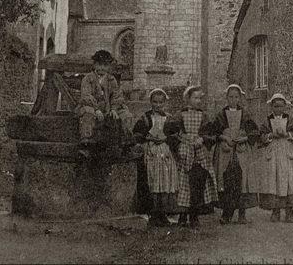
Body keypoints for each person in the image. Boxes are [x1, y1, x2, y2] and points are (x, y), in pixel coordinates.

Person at [257, 92, 293, 223]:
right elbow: (261, 136)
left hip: (287, 152)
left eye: (281, 106)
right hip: (273, 152)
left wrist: (287, 134)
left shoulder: (289, 119)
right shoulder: (267, 120)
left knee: (290, 181)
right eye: (275, 106)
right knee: (274, 180)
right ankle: (275, 210)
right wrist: (270, 136)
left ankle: (289, 211)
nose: (278, 109)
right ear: (271, 107)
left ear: (284, 107)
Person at [212, 84, 258, 225]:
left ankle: (241, 214)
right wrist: (224, 138)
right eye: (230, 97)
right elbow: (214, 132)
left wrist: (244, 138)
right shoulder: (221, 114)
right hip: (225, 152)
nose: (233, 99)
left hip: (241, 153)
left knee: (242, 180)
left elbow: (254, 132)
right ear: (226, 98)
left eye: (236, 97)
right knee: (227, 181)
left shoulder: (245, 114)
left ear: (240, 98)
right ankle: (227, 214)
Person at [132, 88, 179, 227]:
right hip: (151, 151)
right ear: (150, 102)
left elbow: (176, 135)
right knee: (152, 179)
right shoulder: (145, 118)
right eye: (155, 102)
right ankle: (152, 212)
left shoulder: (169, 118)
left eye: (160, 102)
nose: (157, 105)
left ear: (164, 103)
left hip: (165, 152)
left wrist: (166, 137)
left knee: (165, 179)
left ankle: (164, 212)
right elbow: (137, 134)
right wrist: (146, 137)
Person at [173, 86, 218, 229]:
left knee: (197, 183)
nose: (198, 101)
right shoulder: (180, 115)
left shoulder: (204, 116)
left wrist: (203, 139)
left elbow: (211, 133)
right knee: (183, 184)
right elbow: (172, 131)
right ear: (188, 99)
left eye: (200, 98)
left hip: (200, 153)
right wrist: (181, 137)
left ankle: (194, 215)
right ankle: (182, 215)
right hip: (185, 152)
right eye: (195, 98)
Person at [76, 49, 133, 148]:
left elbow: (117, 96)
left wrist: (114, 109)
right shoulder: (88, 78)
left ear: (109, 67)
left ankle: (126, 138)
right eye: (99, 64)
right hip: (93, 107)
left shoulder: (111, 80)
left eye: (105, 65)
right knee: (87, 112)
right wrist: (96, 109)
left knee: (126, 114)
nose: (102, 68)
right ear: (94, 65)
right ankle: (86, 139)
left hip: (108, 108)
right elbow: (86, 95)